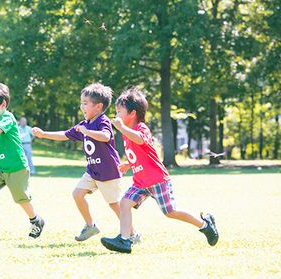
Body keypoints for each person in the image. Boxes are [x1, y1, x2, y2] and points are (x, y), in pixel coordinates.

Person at [100, 88, 219, 253]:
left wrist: (121, 129)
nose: (116, 115)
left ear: (132, 113)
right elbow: (140, 153)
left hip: (157, 180)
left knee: (171, 212)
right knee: (124, 203)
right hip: (141, 181)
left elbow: (141, 140)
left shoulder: (141, 128)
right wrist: (129, 163)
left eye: (119, 111)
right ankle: (125, 240)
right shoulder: (126, 131)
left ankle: (205, 224)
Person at [32, 83, 138, 242]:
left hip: (108, 171)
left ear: (98, 106)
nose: (82, 106)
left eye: (85, 103)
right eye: (81, 103)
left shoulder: (103, 121)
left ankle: (132, 234)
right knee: (77, 194)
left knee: (114, 205)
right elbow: (65, 134)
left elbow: (105, 136)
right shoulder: (83, 124)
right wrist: (44, 134)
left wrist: (87, 132)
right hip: (92, 171)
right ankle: (90, 225)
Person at [0, 82, 45, 239]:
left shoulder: (8, 118)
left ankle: (36, 220)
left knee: (21, 199)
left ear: (2, 104)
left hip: (16, 167)